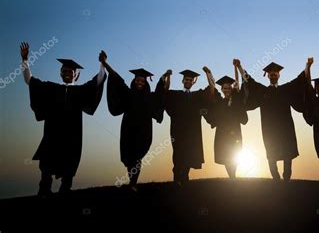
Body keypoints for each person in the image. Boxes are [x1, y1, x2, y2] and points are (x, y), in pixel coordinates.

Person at [20, 42, 106, 197]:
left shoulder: (80, 91)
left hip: (72, 136)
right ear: (60, 73)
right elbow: (30, 81)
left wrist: (102, 64)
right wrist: (25, 61)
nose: (67, 73)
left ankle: (65, 190)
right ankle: (44, 190)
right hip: (52, 134)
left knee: (69, 164)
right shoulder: (51, 89)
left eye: (70, 71)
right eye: (64, 71)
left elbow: (98, 81)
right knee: (46, 164)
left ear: (75, 75)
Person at [234, 59, 307, 181]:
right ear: (267, 75)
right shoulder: (263, 91)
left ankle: (287, 179)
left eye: (275, 73)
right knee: (271, 154)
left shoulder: (286, 89)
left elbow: (299, 80)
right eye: (271, 73)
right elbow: (249, 81)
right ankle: (276, 179)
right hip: (269, 129)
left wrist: (307, 65)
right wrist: (240, 66)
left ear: (279, 75)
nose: (273, 74)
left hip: (286, 128)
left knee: (287, 154)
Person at [100, 51, 163, 192]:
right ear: (134, 81)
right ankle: (132, 181)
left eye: (142, 81)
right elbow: (116, 78)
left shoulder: (149, 97)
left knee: (137, 157)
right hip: (128, 130)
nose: (140, 82)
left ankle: (133, 183)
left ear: (146, 82)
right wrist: (105, 63)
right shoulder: (128, 93)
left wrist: (164, 77)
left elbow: (160, 94)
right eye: (138, 80)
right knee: (129, 158)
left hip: (144, 131)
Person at [156, 67, 214, 184]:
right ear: (183, 81)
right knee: (178, 154)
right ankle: (177, 178)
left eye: (190, 80)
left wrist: (208, 73)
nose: (188, 81)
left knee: (190, 154)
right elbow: (165, 91)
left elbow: (212, 89)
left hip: (192, 131)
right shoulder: (176, 95)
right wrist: (167, 76)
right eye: (186, 79)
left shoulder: (197, 95)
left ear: (193, 82)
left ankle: (185, 178)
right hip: (178, 131)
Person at [205, 67, 248, 178]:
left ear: (231, 89)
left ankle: (232, 178)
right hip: (223, 135)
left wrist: (238, 67)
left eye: (228, 88)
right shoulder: (220, 103)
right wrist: (209, 74)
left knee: (234, 156)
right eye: (224, 88)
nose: (226, 90)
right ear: (222, 89)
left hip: (235, 134)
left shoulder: (237, 101)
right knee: (226, 157)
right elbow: (212, 88)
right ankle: (232, 177)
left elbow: (243, 118)